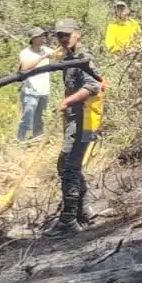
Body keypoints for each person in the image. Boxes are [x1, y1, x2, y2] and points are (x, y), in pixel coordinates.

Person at [51, 18, 104, 234]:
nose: (63, 38)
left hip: (86, 119)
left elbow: (93, 85)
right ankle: (84, 211)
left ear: (78, 34)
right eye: (59, 35)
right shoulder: (69, 57)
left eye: (67, 34)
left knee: (69, 166)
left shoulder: (83, 58)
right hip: (76, 119)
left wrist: (67, 101)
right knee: (66, 164)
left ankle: (68, 221)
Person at [15, 27, 51, 143]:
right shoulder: (25, 53)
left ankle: (37, 140)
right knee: (27, 118)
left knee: (39, 119)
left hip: (44, 91)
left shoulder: (45, 49)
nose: (42, 38)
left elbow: (58, 54)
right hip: (31, 91)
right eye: (40, 36)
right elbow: (24, 67)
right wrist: (42, 58)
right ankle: (20, 140)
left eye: (43, 36)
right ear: (33, 38)